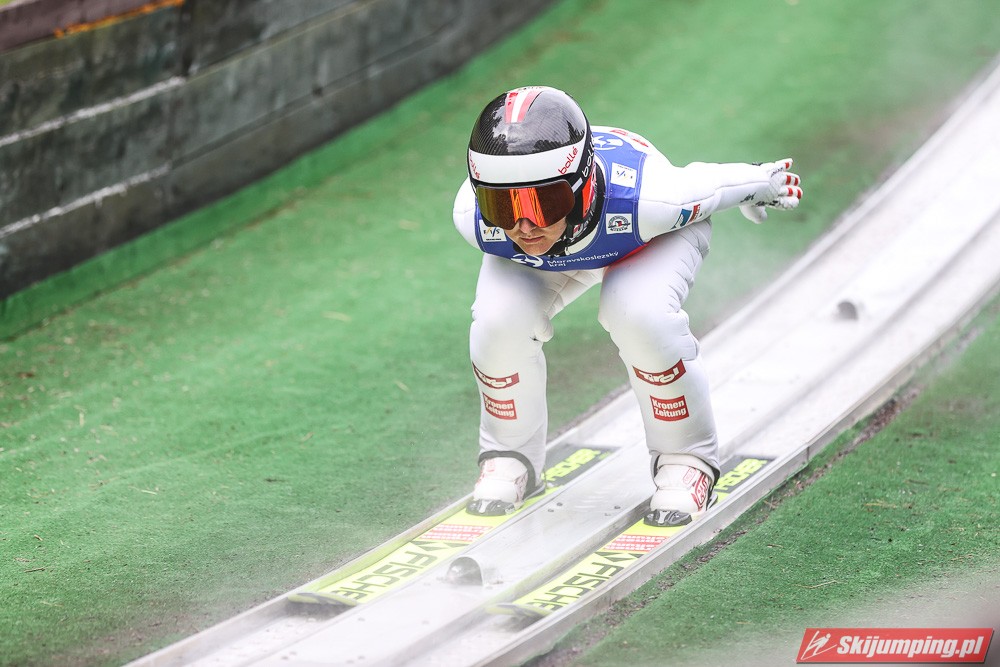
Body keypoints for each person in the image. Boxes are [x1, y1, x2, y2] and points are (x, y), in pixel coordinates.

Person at [452, 86, 802, 526]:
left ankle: (686, 460)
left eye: (543, 203)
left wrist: (760, 184)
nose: (522, 225)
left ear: (581, 188)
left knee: (639, 315)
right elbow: (517, 223)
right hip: (552, 253)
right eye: (501, 205)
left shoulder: (653, 200)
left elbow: (710, 184)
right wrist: (528, 212)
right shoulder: (473, 217)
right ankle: (508, 455)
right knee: (497, 323)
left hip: (643, 238)